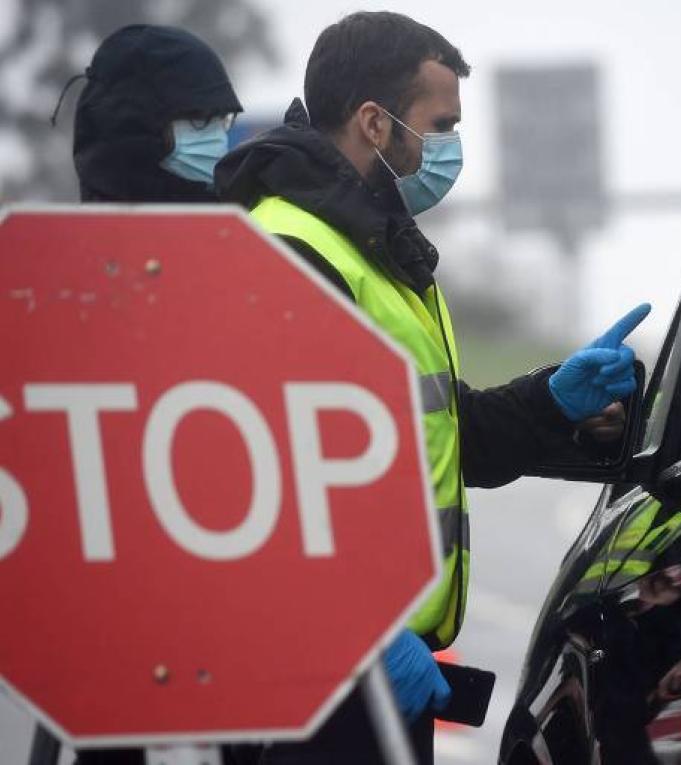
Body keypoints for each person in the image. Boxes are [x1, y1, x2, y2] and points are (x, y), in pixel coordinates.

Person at [215, 11, 650, 763]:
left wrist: (554, 402)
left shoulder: (377, 252)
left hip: (376, 670)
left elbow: (435, 440)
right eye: (440, 125)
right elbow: (266, 483)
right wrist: (363, 634)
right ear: (375, 124)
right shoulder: (296, 250)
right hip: (326, 673)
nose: (448, 148)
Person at [54, 23, 242, 765]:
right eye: (198, 123)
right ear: (136, 132)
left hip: (234, 655)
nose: (217, 141)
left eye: (224, 123)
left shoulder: (249, 277)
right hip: (97, 648)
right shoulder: (49, 293)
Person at [55, 23, 242, 202]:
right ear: (134, 127)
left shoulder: (242, 227)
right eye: (199, 118)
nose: (219, 137)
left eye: (223, 119)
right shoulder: (74, 235)